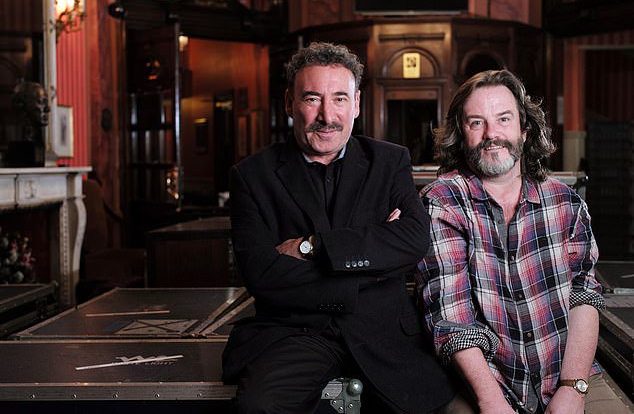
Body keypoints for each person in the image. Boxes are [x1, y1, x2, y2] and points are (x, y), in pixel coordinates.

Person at [222, 41, 456, 413]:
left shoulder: (389, 160)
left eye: (340, 99)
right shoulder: (251, 176)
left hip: (387, 333)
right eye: (312, 99)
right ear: (289, 103)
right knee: (259, 406)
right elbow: (262, 275)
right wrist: (375, 262)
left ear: (357, 104)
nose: (326, 115)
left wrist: (311, 247)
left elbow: (413, 241)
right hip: (296, 333)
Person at [416, 69, 631, 413]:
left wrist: (573, 388)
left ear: (524, 129)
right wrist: (491, 401)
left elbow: (583, 297)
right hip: (484, 382)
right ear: (461, 134)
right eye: (476, 122)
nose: (491, 134)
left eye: (503, 119)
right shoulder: (443, 201)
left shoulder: (565, 202)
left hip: (567, 372)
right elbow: (452, 319)